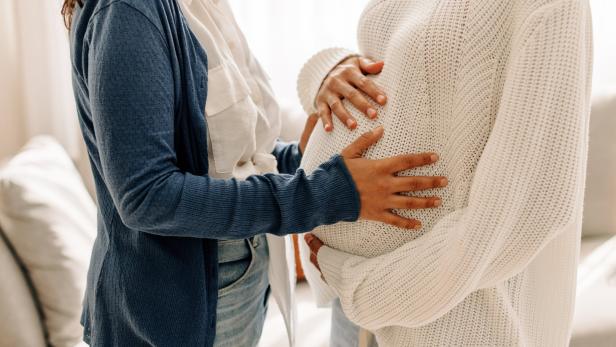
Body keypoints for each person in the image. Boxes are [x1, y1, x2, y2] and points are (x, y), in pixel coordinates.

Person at [62, 0, 448, 346]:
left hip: (236, 277)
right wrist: (327, 192)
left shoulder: (201, 7)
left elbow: (226, 159)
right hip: (178, 301)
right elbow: (147, 197)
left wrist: (304, 155)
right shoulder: (128, 12)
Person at [300, 0, 593, 346]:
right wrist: (327, 69)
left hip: (455, 319)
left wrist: (361, 288)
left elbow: (528, 213)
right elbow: (392, 58)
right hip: (361, 307)